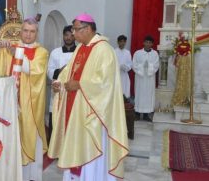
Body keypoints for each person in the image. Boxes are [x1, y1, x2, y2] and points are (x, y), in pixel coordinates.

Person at [48, 13, 129, 181]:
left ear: (89, 29)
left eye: (76, 30)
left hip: (93, 116)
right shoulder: (80, 47)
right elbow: (67, 72)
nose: (74, 34)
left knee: (91, 152)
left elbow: (105, 84)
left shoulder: (104, 50)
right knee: (75, 144)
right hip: (75, 109)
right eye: (73, 30)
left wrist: (79, 85)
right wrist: (59, 84)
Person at [0, 17, 49, 181]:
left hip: (30, 105)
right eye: (25, 31)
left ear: (37, 33)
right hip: (10, 103)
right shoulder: (11, 48)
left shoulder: (41, 52)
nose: (28, 35)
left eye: (32, 31)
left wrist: (17, 54)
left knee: (30, 139)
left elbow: (33, 70)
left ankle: (32, 177)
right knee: (11, 140)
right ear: (20, 31)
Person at [47, 25, 76, 143]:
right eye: (66, 35)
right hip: (58, 90)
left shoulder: (79, 52)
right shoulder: (55, 52)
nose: (68, 38)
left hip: (73, 90)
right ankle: (55, 146)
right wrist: (61, 70)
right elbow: (49, 71)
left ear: (75, 36)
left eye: (71, 35)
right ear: (63, 36)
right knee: (56, 117)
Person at [132, 35, 159, 122]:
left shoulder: (155, 54)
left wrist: (149, 66)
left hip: (149, 78)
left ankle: (146, 115)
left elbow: (156, 65)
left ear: (152, 44)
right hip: (140, 77)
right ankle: (137, 114)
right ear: (143, 43)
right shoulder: (137, 53)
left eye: (150, 42)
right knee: (139, 94)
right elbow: (134, 64)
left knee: (148, 95)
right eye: (146, 42)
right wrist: (142, 66)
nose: (148, 44)